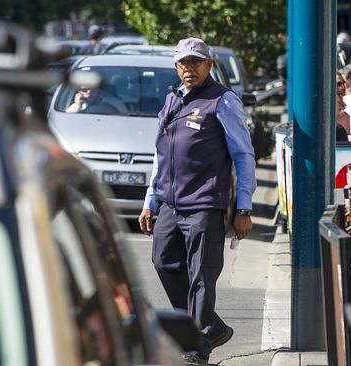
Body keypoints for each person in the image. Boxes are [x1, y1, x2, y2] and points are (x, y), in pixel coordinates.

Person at [138, 37, 256, 366]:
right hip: (170, 203)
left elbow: (244, 155)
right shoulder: (172, 99)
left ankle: (196, 347)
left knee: (201, 276)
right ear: (176, 67)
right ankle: (212, 327)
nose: (188, 68)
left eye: (195, 62)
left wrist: (244, 207)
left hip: (205, 202)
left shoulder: (223, 101)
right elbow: (160, 156)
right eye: (183, 63)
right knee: (163, 260)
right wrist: (151, 200)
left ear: (209, 65)